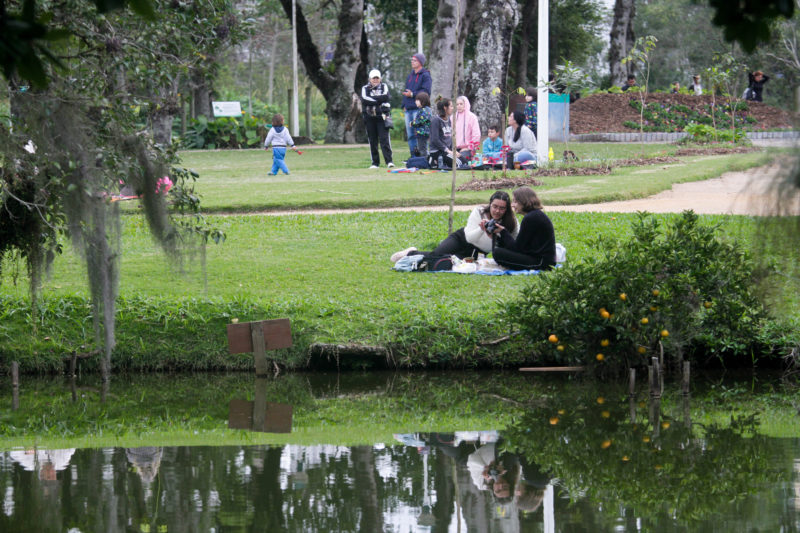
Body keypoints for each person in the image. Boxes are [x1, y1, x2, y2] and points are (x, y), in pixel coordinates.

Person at [390, 191, 518, 262]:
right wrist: (481, 229)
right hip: (462, 238)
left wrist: (496, 235)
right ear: (490, 204)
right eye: (495, 207)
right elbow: (470, 238)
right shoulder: (479, 212)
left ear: (507, 210)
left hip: (477, 252)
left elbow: (512, 246)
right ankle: (410, 253)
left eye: (502, 208)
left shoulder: (511, 223)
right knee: (437, 255)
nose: (497, 211)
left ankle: (414, 254)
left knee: (449, 261)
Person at [491, 186, 556, 270]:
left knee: (497, 253)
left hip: (542, 263)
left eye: (515, 201)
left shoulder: (531, 218)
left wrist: (503, 231)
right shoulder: (534, 215)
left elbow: (517, 249)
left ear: (524, 201)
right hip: (542, 259)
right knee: (501, 251)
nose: (512, 205)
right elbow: (523, 247)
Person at [360, 69, 394, 169]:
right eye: (373, 78)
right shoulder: (365, 88)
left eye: (377, 78)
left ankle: (389, 161)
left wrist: (374, 100)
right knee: (373, 140)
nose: (375, 80)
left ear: (380, 79)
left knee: (384, 139)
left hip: (382, 117)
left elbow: (386, 97)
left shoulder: (384, 86)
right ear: (370, 79)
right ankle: (375, 163)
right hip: (369, 117)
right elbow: (364, 99)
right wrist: (379, 100)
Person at [401, 52, 433, 156]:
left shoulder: (425, 75)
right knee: (410, 135)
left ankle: (423, 156)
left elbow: (426, 92)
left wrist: (412, 94)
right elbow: (406, 91)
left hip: (418, 110)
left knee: (419, 135)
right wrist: (404, 105)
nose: (412, 62)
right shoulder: (410, 75)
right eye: (412, 60)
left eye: (414, 60)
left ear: (420, 62)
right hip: (408, 109)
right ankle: (413, 157)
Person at [452, 95, 481, 161]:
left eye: (461, 104)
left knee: (460, 160)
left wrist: (469, 147)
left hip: (467, 149)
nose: (459, 106)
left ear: (465, 104)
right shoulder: (452, 117)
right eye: (457, 104)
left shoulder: (472, 117)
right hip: (454, 148)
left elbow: (476, 135)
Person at [428, 98, 454, 169]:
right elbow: (435, 139)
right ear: (445, 108)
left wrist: (452, 151)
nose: (453, 108)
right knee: (458, 164)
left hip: (447, 151)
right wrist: (447, 150)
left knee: (464, 161)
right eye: (451, 106)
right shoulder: (436, 120)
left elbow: (449, 137)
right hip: (438, 152)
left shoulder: (449, 120)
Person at [409, 91, 432, 159]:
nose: (415, 102)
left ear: (423, 101)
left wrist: (412, 123)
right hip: (421, 132)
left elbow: (421, 120)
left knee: (422, 149)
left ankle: (424, 161)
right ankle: (423, 159)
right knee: (421, 148)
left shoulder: (425, 110)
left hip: (423, 133)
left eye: (417, 100)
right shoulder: (423, 109)